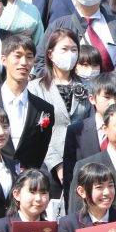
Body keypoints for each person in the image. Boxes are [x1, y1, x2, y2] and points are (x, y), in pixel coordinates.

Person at [0, 34, 55, 173]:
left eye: (29, 57)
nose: (24, 62)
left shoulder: (44, 109)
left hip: (27, 181)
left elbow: (40, 153)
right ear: (4, 60)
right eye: (17, 56)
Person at [61, 72, 116, 198]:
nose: (113, 103)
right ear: (92, 99)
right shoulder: (76, 131)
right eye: (107, 97)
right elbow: (70, 176)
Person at [28, 28, 90, 192]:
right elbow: (35, 132)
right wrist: (57, 163)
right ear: (50, 54)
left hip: (82, 162)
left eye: (74, 50)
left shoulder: (87, 86)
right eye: (64, 49)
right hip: (47, 165)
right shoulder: (35, 88)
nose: (70, 54)